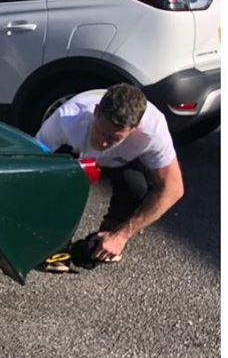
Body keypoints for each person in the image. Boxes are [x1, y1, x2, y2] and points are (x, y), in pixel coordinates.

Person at [36, 83, 184, 271]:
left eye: (114, 138)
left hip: (120, 161)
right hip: (75, 151)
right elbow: (34, 164)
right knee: (67, 189)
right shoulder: (68, 118)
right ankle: (55, 248)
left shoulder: (153, 131)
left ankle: (104, 242)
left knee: (136, 187)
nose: (104, 142)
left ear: (135, 128)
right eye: (101, 132)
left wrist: (122, 235)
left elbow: (174, 189)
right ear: (96, 112)